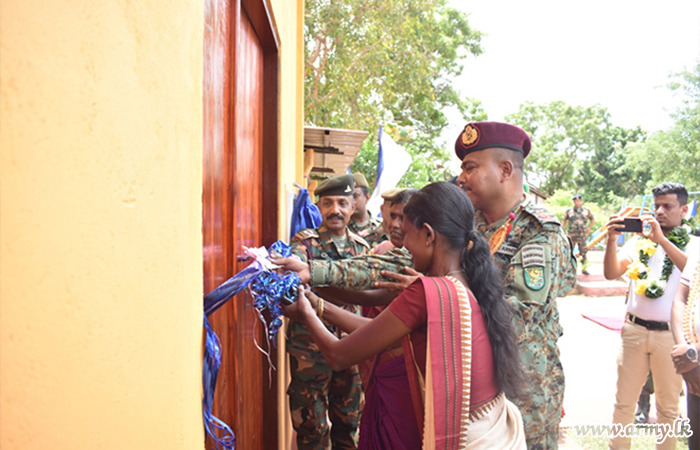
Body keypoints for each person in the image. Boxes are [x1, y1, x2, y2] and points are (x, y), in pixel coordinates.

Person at [282, 182, 528, 449]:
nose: (404, 245)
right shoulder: (465, 282)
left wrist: (307, 311)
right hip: (487, 427)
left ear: (428, 235)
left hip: (462, 436)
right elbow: (378, 329)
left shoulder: (428, 291)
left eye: (408, 233)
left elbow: (339, 355)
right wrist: (316, 297)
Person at [603, 181, 695, 450]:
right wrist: (610, 240)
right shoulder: (638, 242)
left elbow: (693, 271)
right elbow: (611, 272)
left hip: (671, 337)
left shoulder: (693, 244)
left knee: (668, 407)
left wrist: (662, 241)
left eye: (667, 206)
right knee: (624, 404)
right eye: (656, 206)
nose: (660, 211)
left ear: (685, 209)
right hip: (634, 332)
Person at [286, 174, 370, 450]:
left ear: (353, 205)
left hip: (351, 346)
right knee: (312, 426)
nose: (335, 210)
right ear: (319, 207)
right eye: (328, 203)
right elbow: (292, 289)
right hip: (309, 349)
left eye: (343, 203)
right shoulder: (304, 244)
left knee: (348, 421)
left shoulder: (363, 248)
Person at [670, 239, 700, 449]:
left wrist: (693, 354)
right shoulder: (698, 249)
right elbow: (681, 299)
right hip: (695, 369)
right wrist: (687, 354)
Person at [562, 194, 594, 275]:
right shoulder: (569, 211)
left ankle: (584, 269)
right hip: (571, 234)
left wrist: (589, 228)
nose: (577, 202)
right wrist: (562, 230)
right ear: (573, 202)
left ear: (581, 201)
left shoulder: (586, 210)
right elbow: (564, 220)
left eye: (578, 201)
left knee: (583, 252)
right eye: (575, 201)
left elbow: (592, 219)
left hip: (582, 235)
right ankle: (567, 270)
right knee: (568, 251)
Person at [349, 173, 382, 245]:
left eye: (355, 196)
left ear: (367, 198)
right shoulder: (341, 228)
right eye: (348, 197)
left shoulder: (380, 227)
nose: (351, 201)